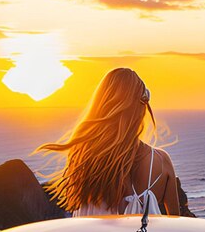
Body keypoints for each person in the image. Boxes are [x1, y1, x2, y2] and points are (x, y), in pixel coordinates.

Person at [35, 67, 180, 216]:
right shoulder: (162, 162)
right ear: (142, 107)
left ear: (101, 105)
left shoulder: (85, 159)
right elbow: (177, 225)